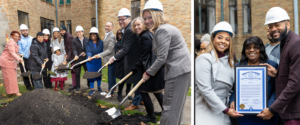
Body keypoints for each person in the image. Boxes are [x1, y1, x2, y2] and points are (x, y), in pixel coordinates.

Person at [141, 1, 191, 124]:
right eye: (145, 18)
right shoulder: (165, 28)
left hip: (178, 71)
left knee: (169, 108)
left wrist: (148, 73)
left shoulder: (162, 30)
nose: (146, 21)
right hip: (183, 70)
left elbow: (161, 58)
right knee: (176, 108)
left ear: (158, 15)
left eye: (150, 17)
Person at [257, 7, 300, 125]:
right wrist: (278, 74)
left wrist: (272, 109)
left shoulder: (296, 43)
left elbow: (295, 84)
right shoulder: (285, 42)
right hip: (290, 111)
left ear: (288, 24)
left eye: (277, 25)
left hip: (295, 112)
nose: (273, 29)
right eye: (270, 26)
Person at [195, 21, 243, 125]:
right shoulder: (204, 59)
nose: (223, 41)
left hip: (224, 115)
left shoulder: (231, 63)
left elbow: (230, 90)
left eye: (227, 39)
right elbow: (205, 89)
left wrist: (232, 102)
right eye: (220, 37)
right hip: (204, 113)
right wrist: (225, 110)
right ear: (213, 39)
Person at [229, 36, 278, 125]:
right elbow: (232, 88)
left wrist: (270, 108)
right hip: (244, 114)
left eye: (256, 47)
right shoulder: (237, 67)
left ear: (261, 49)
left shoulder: (271, 66)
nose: (251, 50)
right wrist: (233, 100)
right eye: (248, 48)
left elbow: (277, 89)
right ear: (244, 50)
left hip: (267, 113)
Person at [130, 17, 165, 123]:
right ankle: (166, 113)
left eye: (138, 24)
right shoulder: (149, 34)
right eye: (135, 25)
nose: (136, 27)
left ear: (144, 24)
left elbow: (144, 56)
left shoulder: (145, 36)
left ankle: (151, 117)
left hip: (151, 69)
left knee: (143, 92)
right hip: (156, 69)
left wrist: (135, 67)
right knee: (157, 92)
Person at [108, 8, 143, 110]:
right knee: (138, 81)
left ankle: (135, 103)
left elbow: (126, 49)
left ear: (128, 18)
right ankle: (140, 99)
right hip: (136, 59)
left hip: (135, 60)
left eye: (123, 19)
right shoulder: (128, 29)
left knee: (136, 81)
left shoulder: (129, 30)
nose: (120, 22)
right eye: (119, 19)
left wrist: (114, 57)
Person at [95, 21, 116, 96]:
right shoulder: (107, 34)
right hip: (108, 58)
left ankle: (111, 92)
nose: (106, 27)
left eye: (108, 26)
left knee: (110, 76)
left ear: (112, 28)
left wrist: (100, 55)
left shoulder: (112, 36)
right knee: (112, 75)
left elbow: (110, 50)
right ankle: (114, 88)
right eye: (106, 26)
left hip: (111, 59)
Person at [0, 31, 23, 96]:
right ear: (12, 36)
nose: (17, 38)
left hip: (10, 61)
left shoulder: (15, 42)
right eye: (15, 36)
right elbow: (12, 52)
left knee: (10, 78)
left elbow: (14, 52)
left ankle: (11, 92)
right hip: (6, 61)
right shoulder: (10, 42)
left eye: (18, 36)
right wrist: (19, 59)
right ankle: (15, 92)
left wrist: (19, 55)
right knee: (10, 78)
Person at [86, 27, 103, 96]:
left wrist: (99, 55)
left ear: (97, 35)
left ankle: (99, 87)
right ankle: (92, 89)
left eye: (94, 34)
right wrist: (89, 56)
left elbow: (102, 51)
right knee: (91, 75)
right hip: (90, 61)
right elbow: (88, 51)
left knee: (98, 74)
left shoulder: (101, 42)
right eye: (91, 34)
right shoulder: (87, 42)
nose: (92, 35)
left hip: (98, 61)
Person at [70, 25, 88, 92]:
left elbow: (88, 49)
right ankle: (78, 86)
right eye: (77, 32)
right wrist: (75, 55)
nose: (78, 33)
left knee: (87, 72)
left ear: (83, 32)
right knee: (77, 73)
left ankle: (89, 84)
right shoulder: (74, 40)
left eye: (80, 32)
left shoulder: (87, 40)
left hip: (85, 59)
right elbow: (74, 49)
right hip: (78, 59)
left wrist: (86, 53)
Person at [114, 29, 129, 102]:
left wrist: (122, 52)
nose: (119, 35)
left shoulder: (127, 42)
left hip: (128, 63)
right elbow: (116, 54)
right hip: (121, 64)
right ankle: (119, 94)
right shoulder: (117, 44)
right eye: (118, 34)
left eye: (121, 34)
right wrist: (119, 53)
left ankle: (128, 93)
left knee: (129, 79)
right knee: (122, 80)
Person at [18, 24, 34, 90]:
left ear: (28, 30)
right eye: (23, 30)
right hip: (23, 58)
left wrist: (32, 52)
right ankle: (28, 86)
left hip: (31, 58)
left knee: (33, 71)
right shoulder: (19, 39)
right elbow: (19, 49)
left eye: (26, 30)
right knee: (25, 72)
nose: (25, 32)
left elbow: (34, 47)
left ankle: (34, 84)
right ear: (21, 31)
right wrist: (24, 55)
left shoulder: (32, 38)